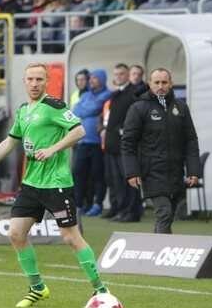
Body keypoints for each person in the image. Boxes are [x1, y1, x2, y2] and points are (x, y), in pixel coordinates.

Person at [0, 63, 108, 308]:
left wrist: (52, 149)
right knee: (15, 233)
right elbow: (9, 143)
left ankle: (100, 289)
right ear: (24, 81)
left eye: (39, 79)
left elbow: (79, 131)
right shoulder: (23, 111)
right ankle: (37, 287)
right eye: (30, 79)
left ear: (46, 82)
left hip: (56, 183)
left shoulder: (54, 106)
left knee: (70, 237)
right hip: (31, 183)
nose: (34, 83)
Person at [121, 68, 200, 234]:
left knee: (167, 217)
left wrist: (193, 170)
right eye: (156, 82)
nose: (160, 86)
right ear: (149, 84)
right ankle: (164, 248)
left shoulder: (181, 107)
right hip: (151, 172)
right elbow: (128, 143)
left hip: (176, 172)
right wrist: (132, 172)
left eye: (164, 82)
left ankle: (155, 246)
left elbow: (191, 141)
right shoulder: (138, 108)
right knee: (164, 213)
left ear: (171, 84)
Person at [103, 64, 142, 222]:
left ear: (127, 75)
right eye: (116, 74)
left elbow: (137, 116)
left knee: (129, 180)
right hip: (112, 145)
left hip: (126, 146)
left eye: (121, 74)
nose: (118, 77)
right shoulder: (115, 94)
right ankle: (121, 209)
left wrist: (124, 130)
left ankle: (132, 212)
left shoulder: (134, 93)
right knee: (116, 181)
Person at [73, 69, 111, 217]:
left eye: (94, 78)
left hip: (97, 143)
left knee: (97, 175)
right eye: (91, 78)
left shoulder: (107, 95)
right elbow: (76, 111)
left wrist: (86, 109)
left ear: (102, 79)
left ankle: (97, 204)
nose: (91, 80)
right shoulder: (86, 95)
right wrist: (87, 109)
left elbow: (95, 107)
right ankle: (79, 204)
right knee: (78, 173)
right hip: (82, 142)